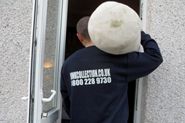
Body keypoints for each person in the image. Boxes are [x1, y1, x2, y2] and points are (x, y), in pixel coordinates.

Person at [60, 16, 163, 123]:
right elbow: (154, 56)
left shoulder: (68, 64)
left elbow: (67, 102)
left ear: (79, 36)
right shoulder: (117, 58)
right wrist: (138, 33)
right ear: (100, 32)